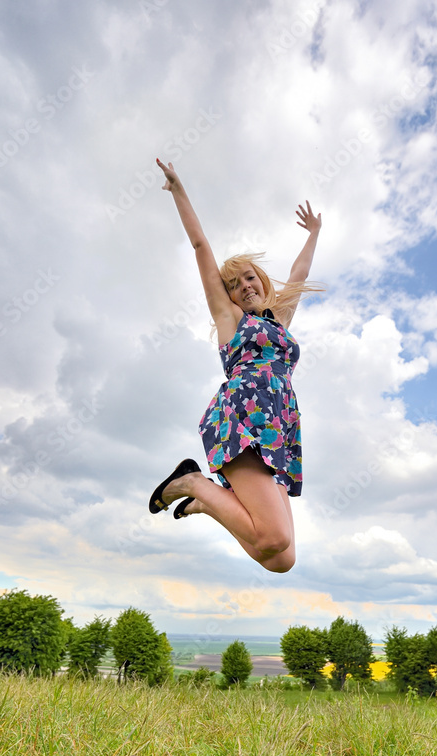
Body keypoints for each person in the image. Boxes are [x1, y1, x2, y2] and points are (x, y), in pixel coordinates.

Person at [149, 158, 322, 573]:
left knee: (282, 560)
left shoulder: (278, 322)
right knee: (274, 537)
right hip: (241, 420)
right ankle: (192, 483)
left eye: (248, 277)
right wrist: (178, 191)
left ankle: (205, 502)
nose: (243, 287)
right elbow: (200, 247)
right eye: (233, 285)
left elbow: (299, 273)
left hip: (276, 429)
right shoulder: (231, 320)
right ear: (227, 296)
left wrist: (315, 233)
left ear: (261, 279)